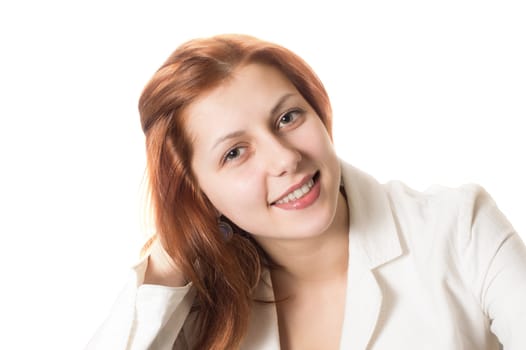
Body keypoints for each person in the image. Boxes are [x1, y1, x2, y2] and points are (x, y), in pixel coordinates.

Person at [87, 34, 526, 350]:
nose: (284, 159)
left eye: (287, 118)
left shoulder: (459, 228)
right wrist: (168, 260)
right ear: (198, 191)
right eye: (236, 152)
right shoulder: (198, 309)